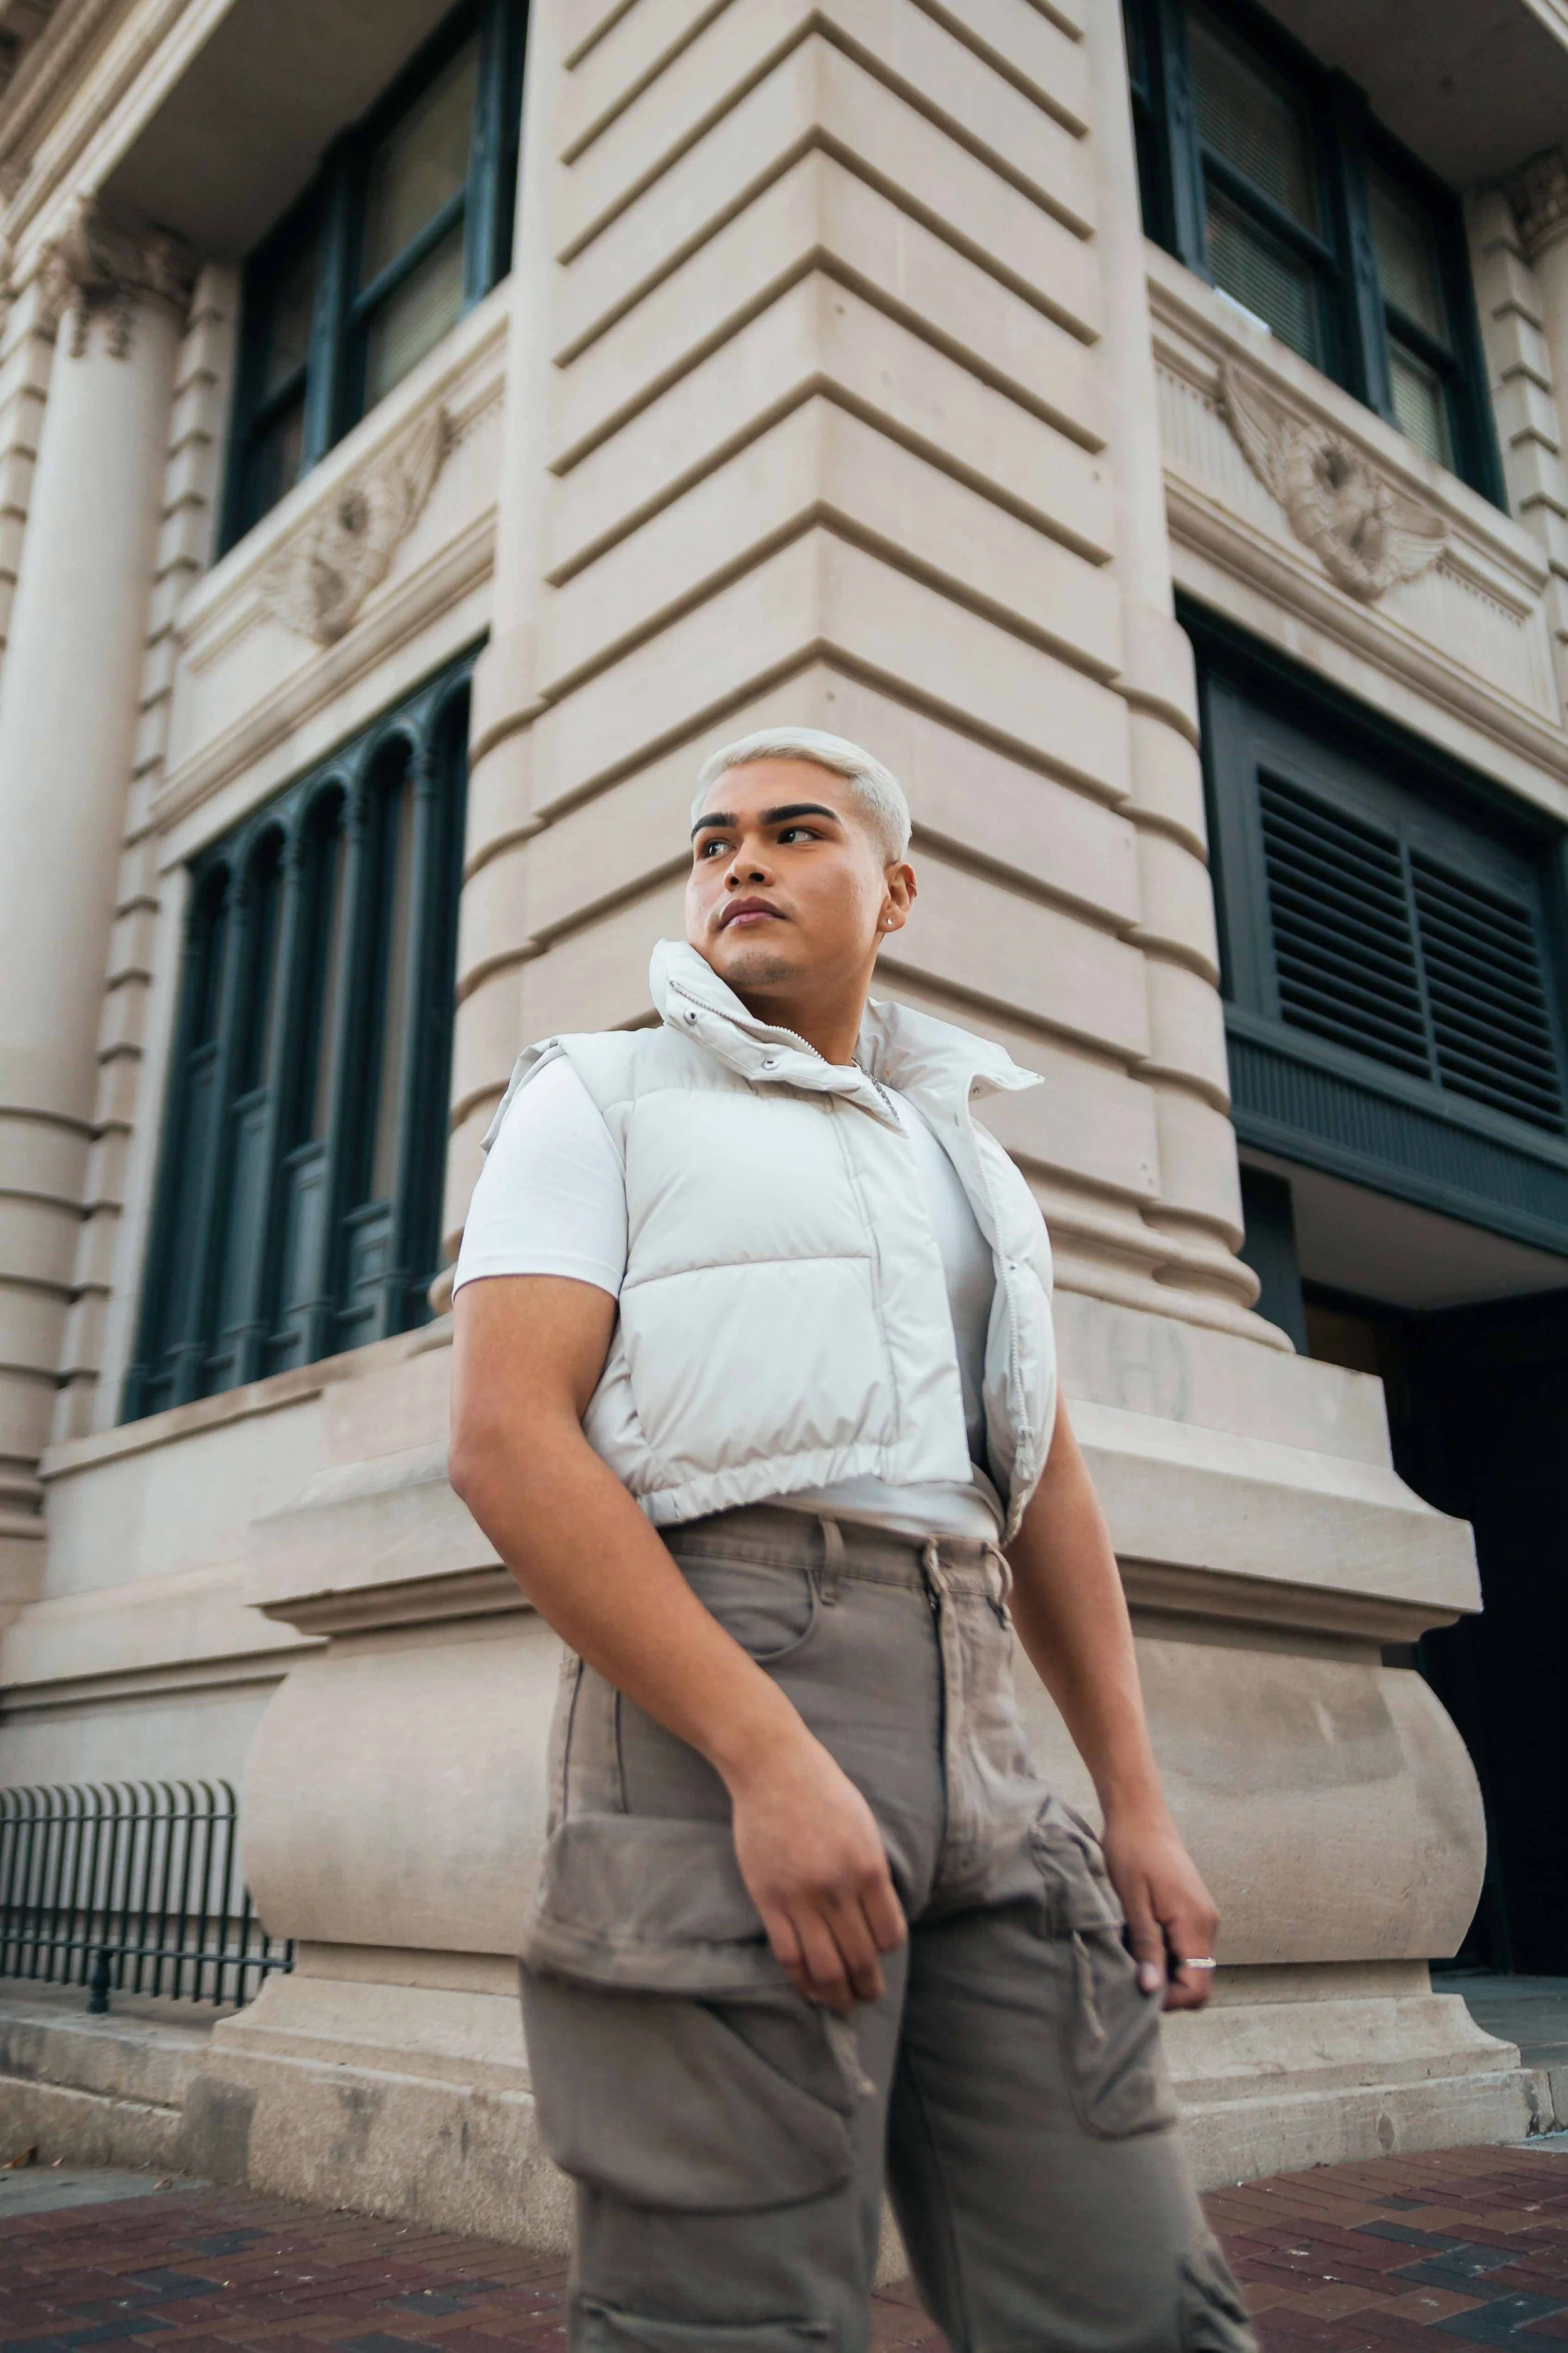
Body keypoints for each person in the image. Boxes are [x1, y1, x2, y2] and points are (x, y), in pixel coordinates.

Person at [448, 726, 1256, 2353]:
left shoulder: (964, 1156)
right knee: (722, 2316)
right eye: (710, 840)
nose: (735, 861)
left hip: (990, 1759)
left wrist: (1138, 1805)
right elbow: (507, 1444)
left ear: (891, 889)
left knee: (1138, 2305)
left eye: (790, 831)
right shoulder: (593, 1093)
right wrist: (765, 1753)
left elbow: (1047, 1493)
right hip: (719, 1708)